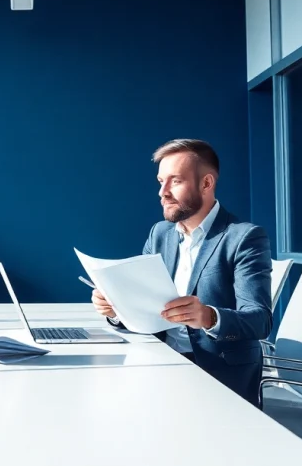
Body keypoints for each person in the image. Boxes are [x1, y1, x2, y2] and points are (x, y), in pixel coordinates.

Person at [92, 138, 272, 406]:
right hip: (161, 363)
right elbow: (142, 300)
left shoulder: (244, 237)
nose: (162, 192)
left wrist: (208, 316)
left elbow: (260, 321)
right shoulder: (160, 233)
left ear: (206, 183)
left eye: (175, 181)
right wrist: (117, 309)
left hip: (218, 375)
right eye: (160, 181)